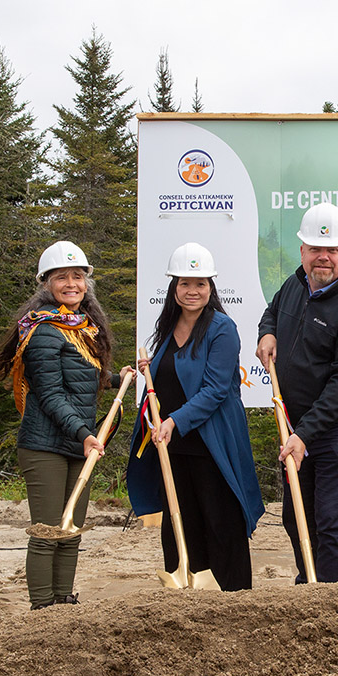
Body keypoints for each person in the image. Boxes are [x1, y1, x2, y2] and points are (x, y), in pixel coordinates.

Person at [0, 241, 132, 610]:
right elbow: (50, 395)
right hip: (46, 445)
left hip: (80, 443)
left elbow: (79, 378)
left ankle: (63, 600)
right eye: (61, 277)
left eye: (77, 276)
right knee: (48, 531)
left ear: (86, 283)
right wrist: (85, 434)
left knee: (71, 530)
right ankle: (42, 607)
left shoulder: (82, 327)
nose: (71, 283)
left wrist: (114, 378)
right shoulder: (42, 329)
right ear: (45, 283)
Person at [256, 203, 338, 583]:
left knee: (331, 526)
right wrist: (267, 332)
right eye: (315, 249)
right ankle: (308, 587)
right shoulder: (295, 284)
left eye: (331, 250)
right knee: (296, 519)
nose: (322, 257)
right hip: (296, 425)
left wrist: (303, 436)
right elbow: (272, 312)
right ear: (302, 251)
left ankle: (334, 607)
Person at [127, 243, 264, 591]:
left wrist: (173, 422)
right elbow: (170, 380)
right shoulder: (169, 326)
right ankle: (187, 588)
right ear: (174, 288)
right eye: (185, 283)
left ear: (211, 288)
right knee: (180, 522)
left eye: (200, 283)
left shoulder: (222, 328)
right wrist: (149, 371)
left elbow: (216, 390)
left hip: (210, 444)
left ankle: (233, 596)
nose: (193, 291)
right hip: (174, 448)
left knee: (220, 522)